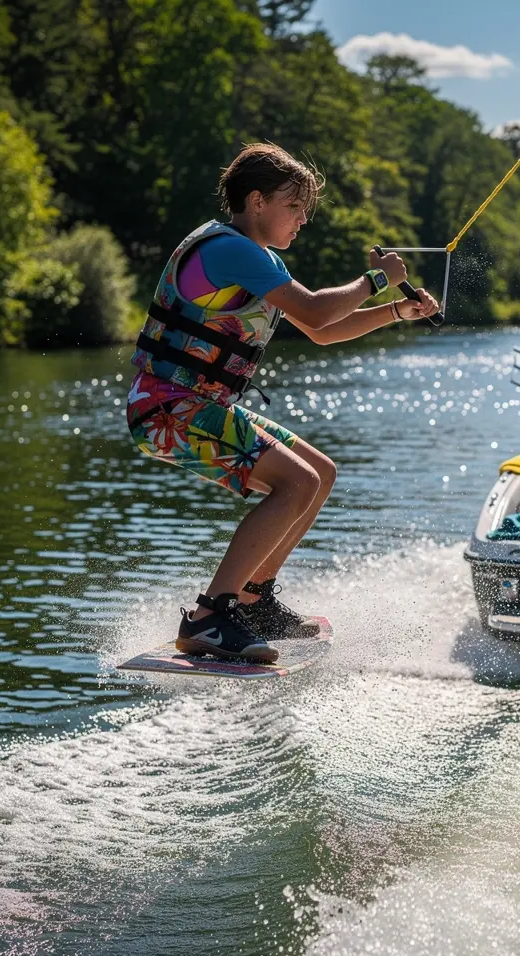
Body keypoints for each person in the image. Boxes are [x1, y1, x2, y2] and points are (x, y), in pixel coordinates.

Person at [127, 143, 440, 661]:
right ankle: (210, 616)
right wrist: (378, 278)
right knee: (298, 482)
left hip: (195, 406)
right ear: (257, 202)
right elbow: (317, 313)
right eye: (294, 207)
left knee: (320, 470)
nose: (302, 220)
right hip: (167, 410)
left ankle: (253, 600)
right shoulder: (227, 249)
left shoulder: (259, 260)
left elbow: (320, 332)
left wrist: (394, 312)